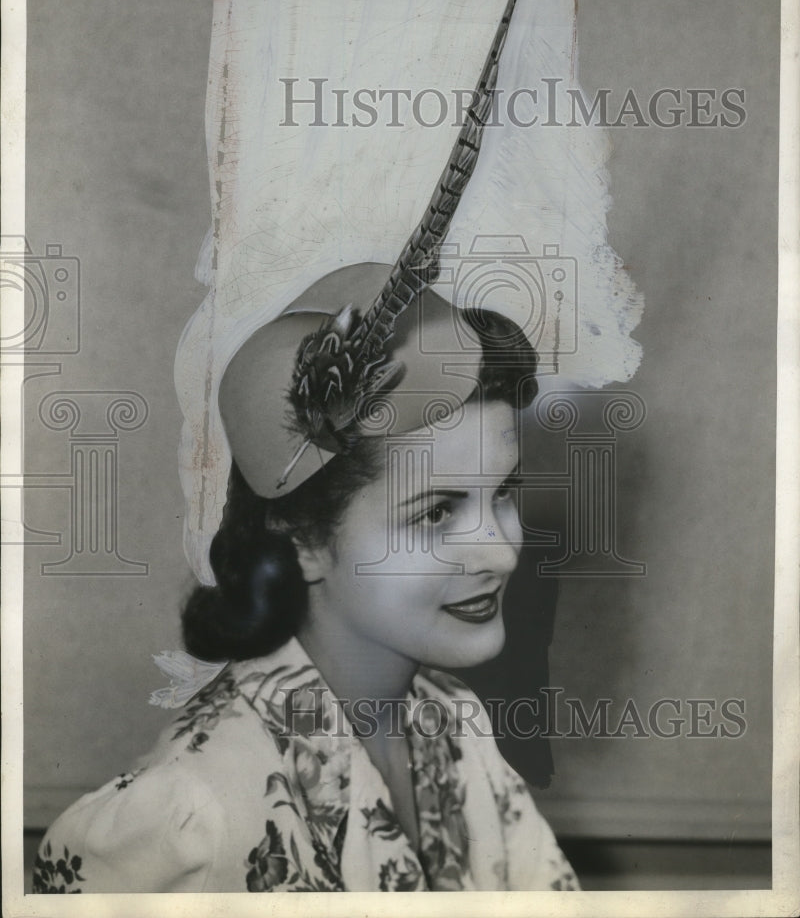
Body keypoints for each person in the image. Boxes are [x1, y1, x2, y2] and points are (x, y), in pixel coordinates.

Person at [32, 262, 579, 893]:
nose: (503, 554)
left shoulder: (457, 728)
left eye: (504, 492)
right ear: (303, 541)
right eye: (436, 512)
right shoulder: (191, 818)